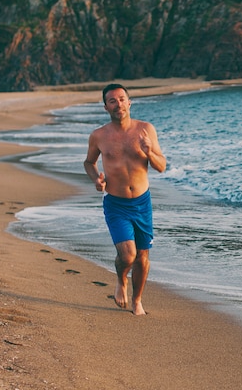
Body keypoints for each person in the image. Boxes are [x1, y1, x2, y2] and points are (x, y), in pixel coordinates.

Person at [83, 83, 167, 315]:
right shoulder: (99, 136)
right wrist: (96, 180)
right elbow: (89, 163)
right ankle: (121, 279)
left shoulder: (145, 130)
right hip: (116, 204)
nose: (118, 104)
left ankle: (137, 301)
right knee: (127, 255)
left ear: (129, 103)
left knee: (142, 256)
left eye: (122, 99)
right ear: (105, 107)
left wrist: (149, 151)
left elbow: (161, 167)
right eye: (112, 100)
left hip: (142, 203)